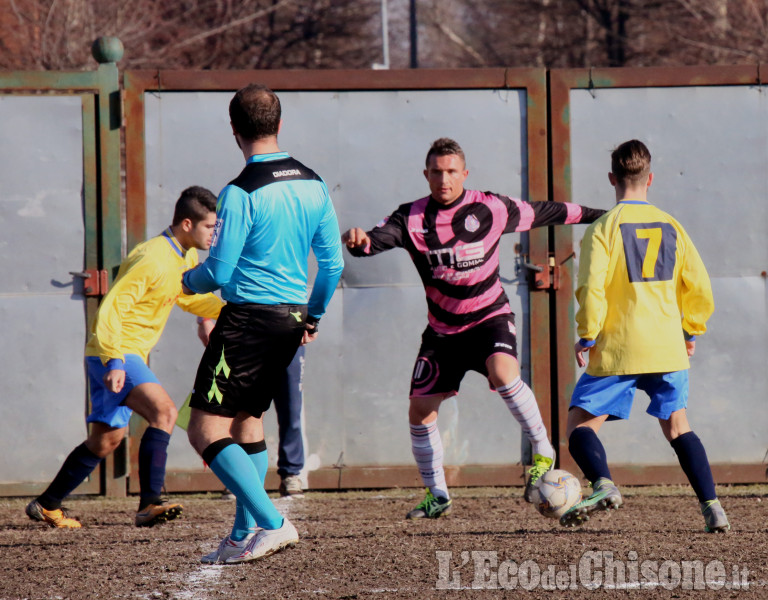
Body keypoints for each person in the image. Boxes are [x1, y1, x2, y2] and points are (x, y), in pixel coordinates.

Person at [342, 137, 605, 520]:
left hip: (488, 317)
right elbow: (371, 242)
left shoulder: (489, 207)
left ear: (465, 174)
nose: (443, 179)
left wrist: (605, 215)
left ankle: (543, 449)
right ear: (426, 174)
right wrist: (358, 241)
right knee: (419, 411)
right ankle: (438, 495)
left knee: (503, 373)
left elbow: (548, 211)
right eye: (436, 172)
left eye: (451, 172)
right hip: (443, 332)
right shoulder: (411, 218)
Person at [182, 84, 343, 564]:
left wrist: (185, 280)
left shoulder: (240, 192)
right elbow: (332, 267)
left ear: (234, 130)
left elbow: (220, 273)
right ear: (279, 124)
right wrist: (312, 315)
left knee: (205, 431)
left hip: (248, 321)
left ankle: (273, 523)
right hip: (290, 320)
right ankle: (241, 533)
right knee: (246, 420)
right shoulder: (315, 184)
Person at [26, 186, 224, 529]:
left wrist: (230, 310)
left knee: (106, 440)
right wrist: (115, 360)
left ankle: (46, 504)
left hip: (125, 354)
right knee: (164, 412)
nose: (215, 234)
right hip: (115, 351)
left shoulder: (186, 257)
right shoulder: (152, 256)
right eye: (210, 227)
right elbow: (112, 307)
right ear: (188, 224)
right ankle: (149, 503)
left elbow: (188, 300)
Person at [559, 139, 729, 533]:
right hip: (667, 346)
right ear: (649, 179)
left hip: (619, 348)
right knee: (678, 426)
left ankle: (602, 484)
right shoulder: (672, 225)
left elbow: (591, 287)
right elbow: (699, 286)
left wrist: (587, 335)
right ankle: (713, 506)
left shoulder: (603, 227)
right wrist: (690, 329)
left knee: (578, 427)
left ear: (611, 179)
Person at [275, 345, 307, 498]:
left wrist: (310, 325)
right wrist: (205, 320)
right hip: (248, 336)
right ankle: (238, 476)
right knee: (244, 413)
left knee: (291, 409)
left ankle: (291, 473)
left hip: (289, 333)